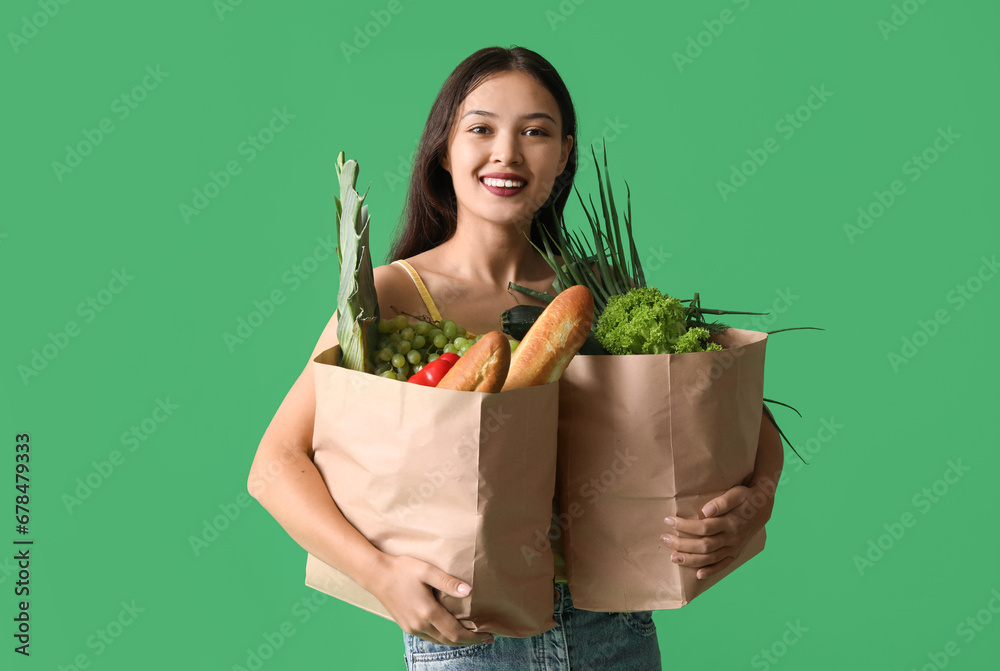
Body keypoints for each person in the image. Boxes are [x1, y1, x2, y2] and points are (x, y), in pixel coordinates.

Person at [248, 45, 782, 670]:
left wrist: (757, 503)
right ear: (443, 151)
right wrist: (382, 575)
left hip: (614, 627)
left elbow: (747, 422)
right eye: (481, 129)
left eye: (535, 132)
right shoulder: (393, 294)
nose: (507, 152)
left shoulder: (601, 290)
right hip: (469, 637)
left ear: (564, 155)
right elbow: (274, 466)